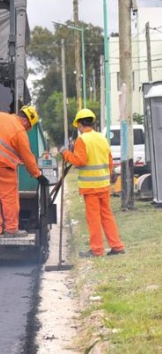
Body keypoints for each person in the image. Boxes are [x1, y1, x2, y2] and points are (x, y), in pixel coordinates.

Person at [0, 105, 49, 238]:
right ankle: (11, 230)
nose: (27, 129)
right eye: (28, 127)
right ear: (26, 121)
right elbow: (28, 157)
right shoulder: (20, 131)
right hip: (1, 166)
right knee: (9, 199)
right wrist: (38, 175)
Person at [61, 109, 126, 258]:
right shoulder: (102, 138)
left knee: (93, 218)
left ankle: (97, 250)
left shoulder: (82, 140)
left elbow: (79, 161)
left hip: (90, 187)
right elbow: (110, 162)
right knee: (107, 215)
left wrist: (65, 153)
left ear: (79, 125)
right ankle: (117, 246)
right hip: (103, 184)